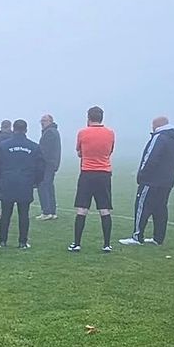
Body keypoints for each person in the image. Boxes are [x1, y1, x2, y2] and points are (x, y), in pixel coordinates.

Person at [120, 116, 174, 246]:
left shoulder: (159, 137)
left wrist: (141, 175)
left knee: (142, 207)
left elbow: (150, 157)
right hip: (167, 180)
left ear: (157, 125)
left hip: (151, 180)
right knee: (160, 208)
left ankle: (137, 237)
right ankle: (158, 238)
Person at [69, 106, 115, 253]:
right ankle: (106, 244)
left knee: (82, 209)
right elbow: (110, 151)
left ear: (88, 117)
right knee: (104, 209)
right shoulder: (110, 133)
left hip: (87, 173)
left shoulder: (83, 133)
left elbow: (79, 152)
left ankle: (77, 243)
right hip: (104, 174)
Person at [0, 119, 45, 248]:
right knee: (24, 214)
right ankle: (22, 242)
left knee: (5, 214)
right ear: (26, 130)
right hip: (25, 183)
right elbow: (40, 167)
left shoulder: (4, 145)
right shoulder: (34, 146)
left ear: (13, 129)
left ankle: (2, 241)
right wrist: (36, 182)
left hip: (7, 182)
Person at [36, 114, 61, 220]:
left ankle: (46, 211)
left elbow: (45, 151)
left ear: (50, 121)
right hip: (51, 164)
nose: (42, 122)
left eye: (45, 120)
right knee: (49, 187)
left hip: (47, 164)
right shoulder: (52, 132)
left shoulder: (49, 133)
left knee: (43, 186)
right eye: (41, 120)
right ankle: (52, 211)